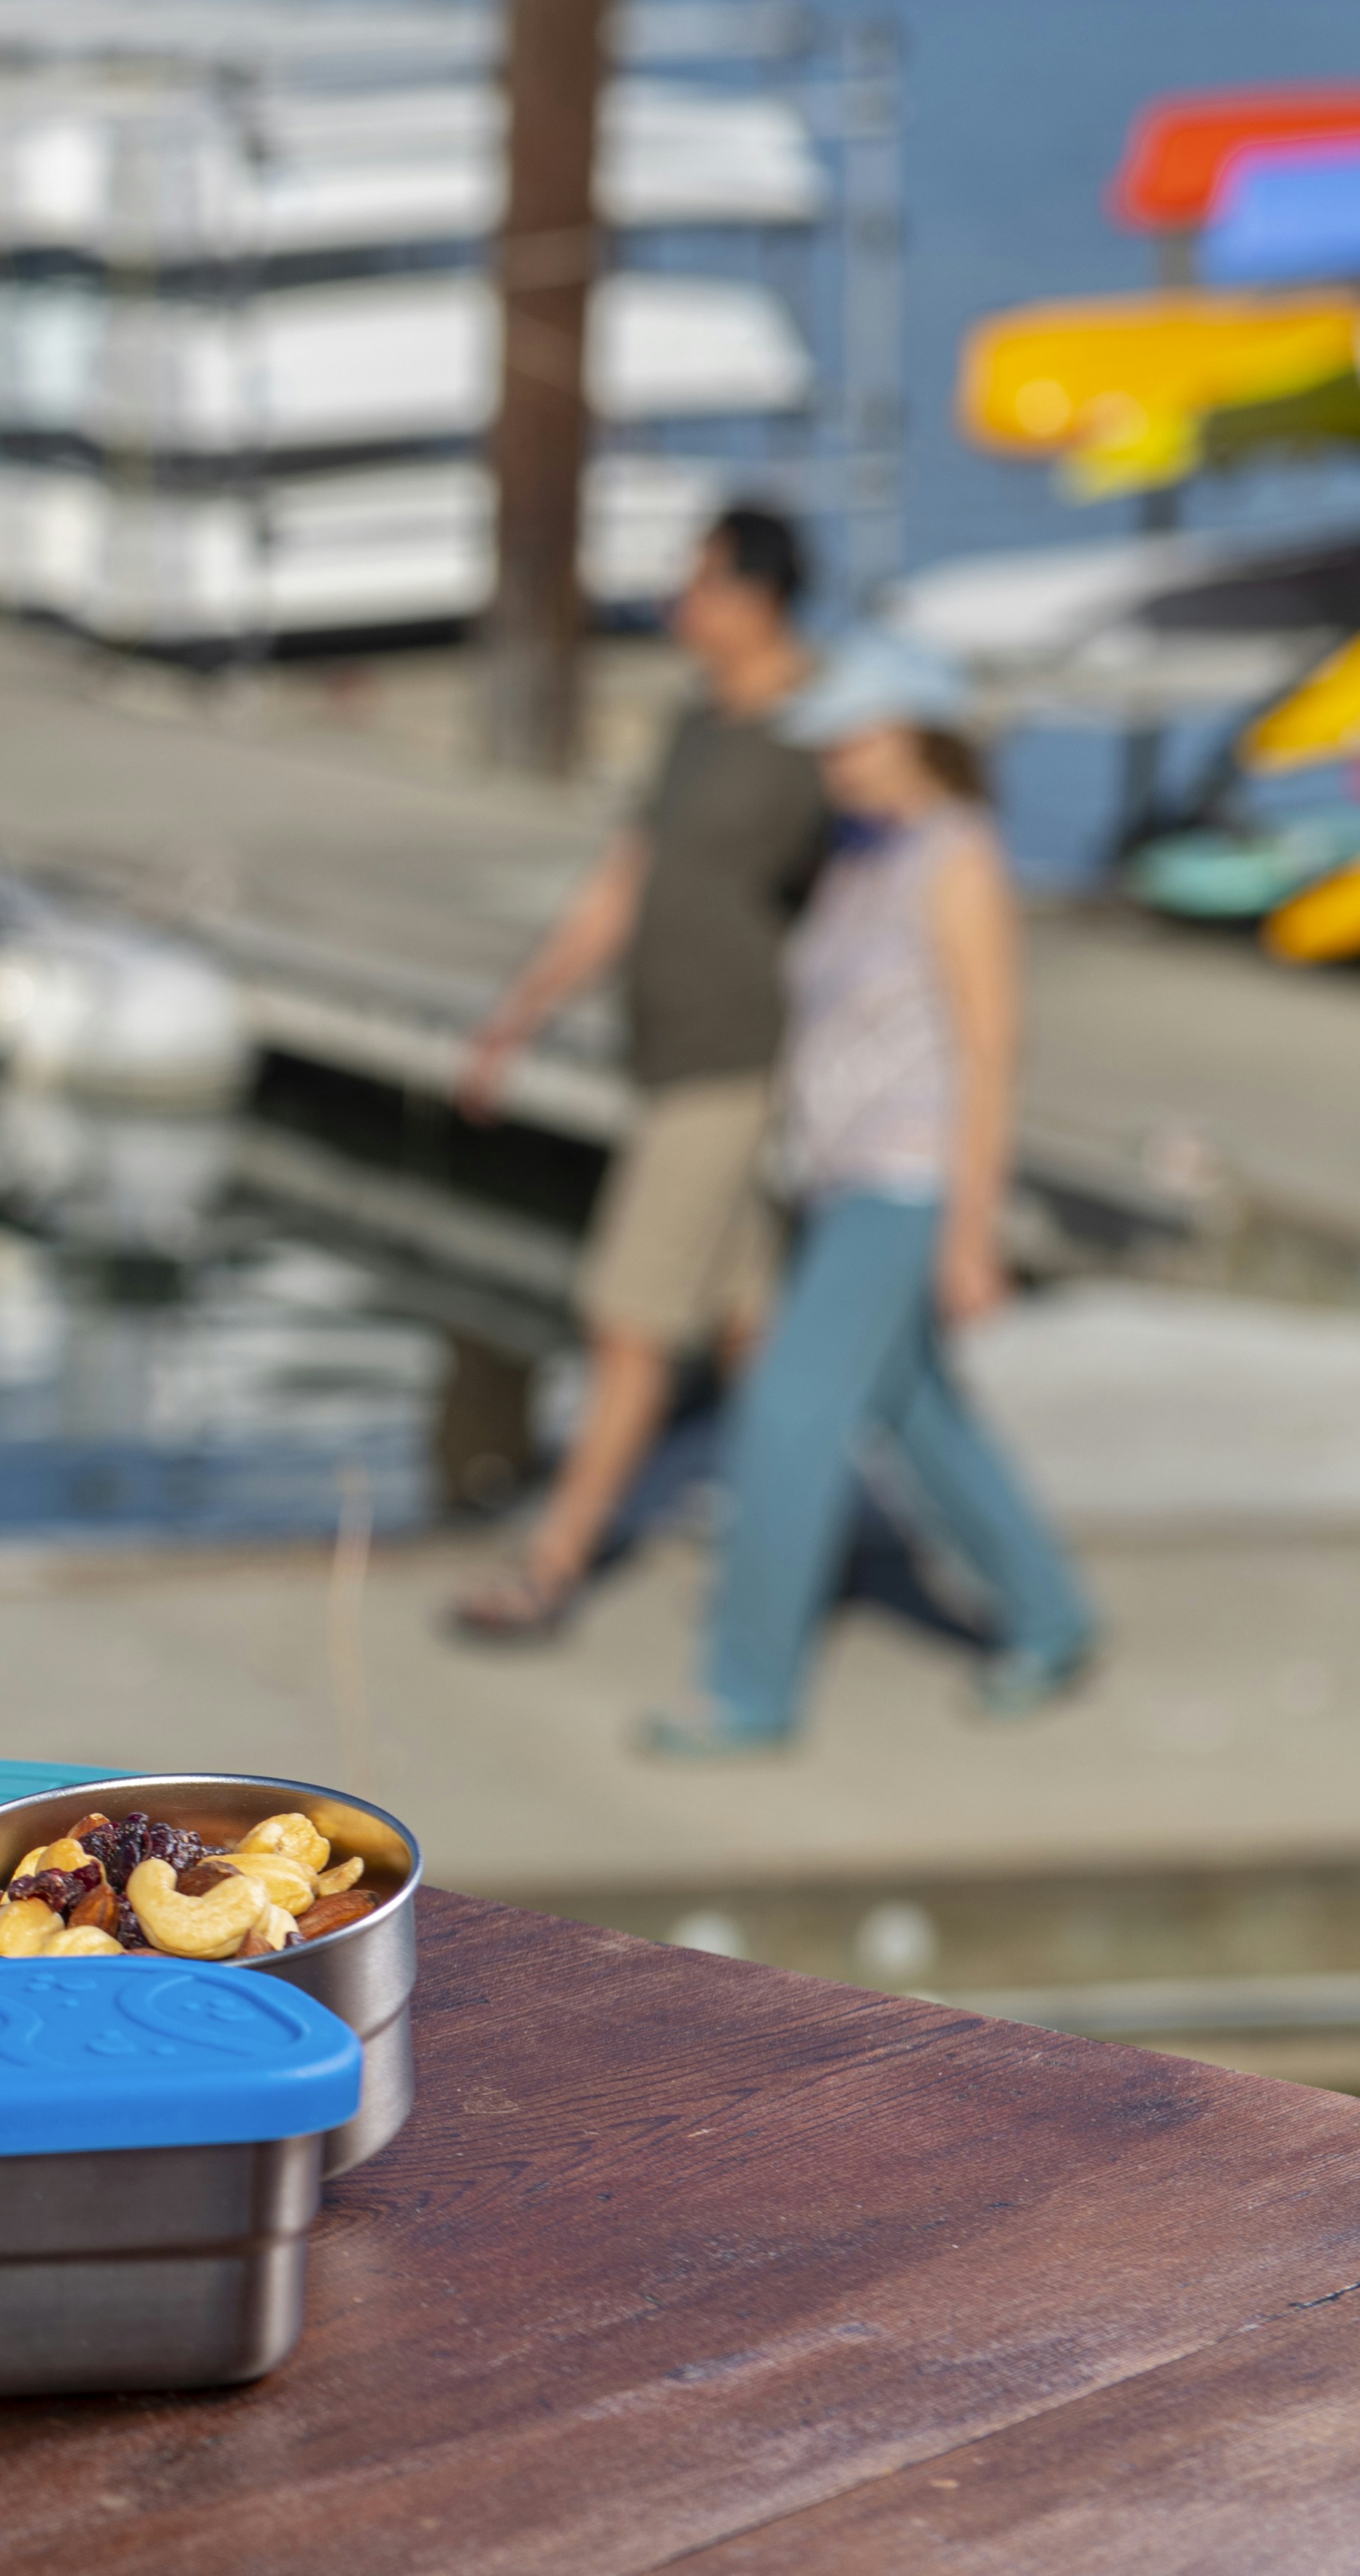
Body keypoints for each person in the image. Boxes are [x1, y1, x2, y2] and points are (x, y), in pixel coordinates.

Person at [643, 633, 1096, 1756]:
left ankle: (748, 1689)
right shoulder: (862, 850)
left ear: (918, 734)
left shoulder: (960, 857)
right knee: (916, 1412)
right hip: (840, 1176)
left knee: (791, 1410)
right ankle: (1050, 1616)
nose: (835, 757)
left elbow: (993, 1053)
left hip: (909, 1183)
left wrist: (973, 1234)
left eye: (855, 735)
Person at [447, 505, 837, 1641]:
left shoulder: (819, 734)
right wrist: (519, 1013)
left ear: (757, 595)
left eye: (701, 581)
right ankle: (806, 1522)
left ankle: (552, 1564)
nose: (681, 602)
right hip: (667, 1060)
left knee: (626, 1318)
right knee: (753, 1327)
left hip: (740, 1061)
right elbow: (628, 878)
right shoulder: (697, 723)